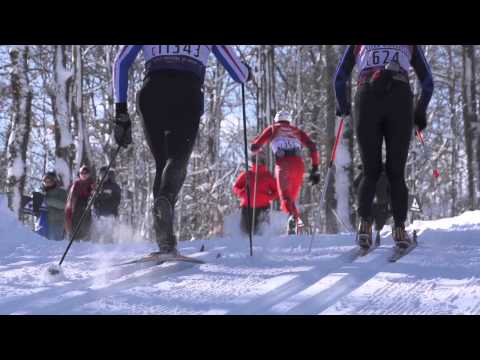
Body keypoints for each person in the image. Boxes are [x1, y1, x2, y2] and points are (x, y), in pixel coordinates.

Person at [113, 45, 252, 257]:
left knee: (162, 162)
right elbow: (238, 73)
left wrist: (120, 111)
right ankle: (166, 202)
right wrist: (247, 72)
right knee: (176, 159)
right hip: (187, 93)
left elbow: (121, 62)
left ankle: (165, 241)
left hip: (152, 93)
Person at [334, 45, 434, 250]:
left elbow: (339, 79)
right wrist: (420, 111)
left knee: (370, 171)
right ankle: (399, 229)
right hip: (399, 96)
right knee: (396, 172)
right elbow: (428, 83)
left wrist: (343, 107)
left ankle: (364, 226)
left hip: (366, 96)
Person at [250, 110, 320, 235]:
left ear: (276, 120)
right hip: (298, 165)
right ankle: (296, 226)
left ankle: (294, 220)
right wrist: (315, 168)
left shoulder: (272, 129)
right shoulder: (296, 130)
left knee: (285, 198)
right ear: (289, 120)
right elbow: (312, 147)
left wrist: (255, 147)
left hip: (283, 164)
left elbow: (256, 145)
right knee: (291, 199)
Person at [233, 153, 278, 235]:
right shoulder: (247, 174)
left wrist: (268, 197)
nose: (258, 162)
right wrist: (242, 194)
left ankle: (264, 246)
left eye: (260, 160)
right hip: (247, 207)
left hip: (263, 208)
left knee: (262, 232)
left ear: (264, 161)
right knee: (246, 233)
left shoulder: (268, 176)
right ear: (253, 161)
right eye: (256, 160)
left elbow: (277, 191)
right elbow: (236, 187)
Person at [353, 164, 392, 245]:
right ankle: (372, 233)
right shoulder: (386, 175)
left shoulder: (365, 173)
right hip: (381, 204)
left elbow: (356, 186)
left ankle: (365, 232)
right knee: (378, 220)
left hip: (370, 202)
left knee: (367, 218)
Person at [26, 172, 68, 240]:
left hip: (56, 223)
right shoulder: (41, 191)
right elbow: (34, 206)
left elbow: (63, 205)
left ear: (54, 181)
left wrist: (47, 200)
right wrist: (34, 200)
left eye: (49, 180)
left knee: (53, 245)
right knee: (40, 245)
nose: (47, 183)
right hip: (41, 223)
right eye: (45, 181)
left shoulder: (61, 191)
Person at [65, 165, 95, 241]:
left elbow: (96, 198)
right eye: (82, 173)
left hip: (88, 214)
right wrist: (68, 218)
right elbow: (70, 203)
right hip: (76, 215)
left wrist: (94, 194)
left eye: (86, 173)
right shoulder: (76, 185)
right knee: (76, 237)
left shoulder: (92, 184)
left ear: (89, 174)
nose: (84, 175)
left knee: (87, 235)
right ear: (79, 174)